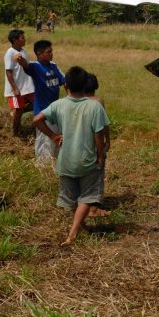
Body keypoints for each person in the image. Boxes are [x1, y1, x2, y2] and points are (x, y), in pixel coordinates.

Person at [32, 66, 111, 245]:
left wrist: (52, 135)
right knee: (88, 196)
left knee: (71, 198)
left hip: (65, 159)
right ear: (86, 85)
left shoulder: (59, 104)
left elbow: (36, 119)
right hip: (87, 159)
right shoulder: (94, 106)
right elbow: (98, 134)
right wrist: (100, 155)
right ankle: (73, 233)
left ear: (65, 85)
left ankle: (78, 227)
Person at [18, 39, 65, 162]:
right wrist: (20, 60)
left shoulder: (54, 66)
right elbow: (26, 65)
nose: (51, 54)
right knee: (44, 143)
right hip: (42, 111)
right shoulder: (35, 67)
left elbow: (64, 82)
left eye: (51, 51)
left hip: (55, 111)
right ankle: (43, 168)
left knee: (56, 141)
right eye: (48, 52)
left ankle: (55, 164)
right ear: (39, 53)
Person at [4, 29, 35, 136]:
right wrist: (15, 88)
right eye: (22, 37)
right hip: (17, 88)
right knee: (19, 109)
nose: (25, 39)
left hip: (27, 87)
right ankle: (15, 132)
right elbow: (8, 72)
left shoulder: (23, 51)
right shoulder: (10, 53)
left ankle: (15, 113)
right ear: (15, 40)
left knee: (36, 104)